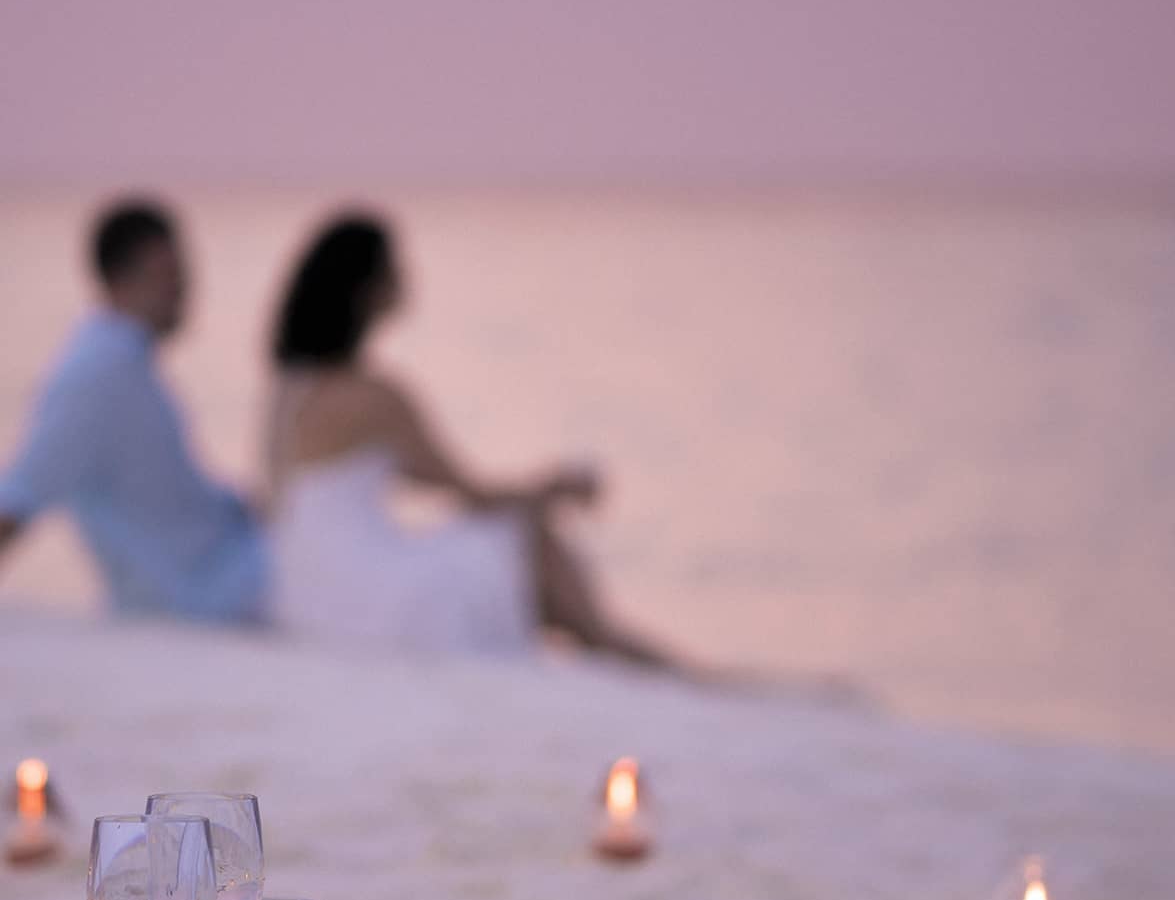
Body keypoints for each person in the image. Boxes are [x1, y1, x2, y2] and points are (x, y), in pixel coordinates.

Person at [265, 212, 682, 666]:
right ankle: (614, 644)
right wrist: (560, 488)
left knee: (500, 544)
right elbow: (472, 495)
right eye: (395, 267)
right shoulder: (376, 397)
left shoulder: (287, 390)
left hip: (303, 600)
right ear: (367, 289)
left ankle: (609, 643)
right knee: (525, 538)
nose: (407, 277)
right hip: (369, 606)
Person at [0, 201, 268, 622]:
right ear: (119, 278)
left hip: (227, 568)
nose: (184, 291)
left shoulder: (127, 365)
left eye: (183, 276)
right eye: (169, 275)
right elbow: (19, 495)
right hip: (205, 597)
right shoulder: (97, 374)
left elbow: (172, 497)